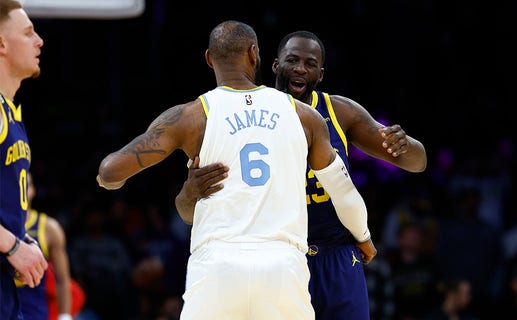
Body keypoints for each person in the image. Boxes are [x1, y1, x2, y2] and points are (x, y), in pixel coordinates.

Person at [97, 20, 376, 319]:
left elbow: (110, 171)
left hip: (218, 265)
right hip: (282, 267)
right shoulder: (303, 115)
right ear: (255, 54)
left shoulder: (190, 116)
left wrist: (108, 181)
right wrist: (363, 236)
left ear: (208, 58)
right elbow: (345, 194)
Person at [175, 30, 427, 320]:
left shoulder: (340, 112)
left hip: (337, 254)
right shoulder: (242, 116)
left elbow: (416, 163)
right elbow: (189, 212)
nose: (299, 68)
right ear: (274, 65)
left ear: (320, 75)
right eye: (292, 60)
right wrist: (191, 191)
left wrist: (404, 145)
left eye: (309, 64)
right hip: (280, 259)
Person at [0, 0, 49, 318]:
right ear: (2, 44)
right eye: (29, 32)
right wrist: (12, 246)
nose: (39, 40)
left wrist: (19, 238)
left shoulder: (10, 112)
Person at [17, 172, 85, 320]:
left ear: (33, 190)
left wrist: (65, 316)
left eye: (25, 185)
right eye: (16, 184)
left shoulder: (49, 228)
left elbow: (62, 279)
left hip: (34, 311)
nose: (20, 189)